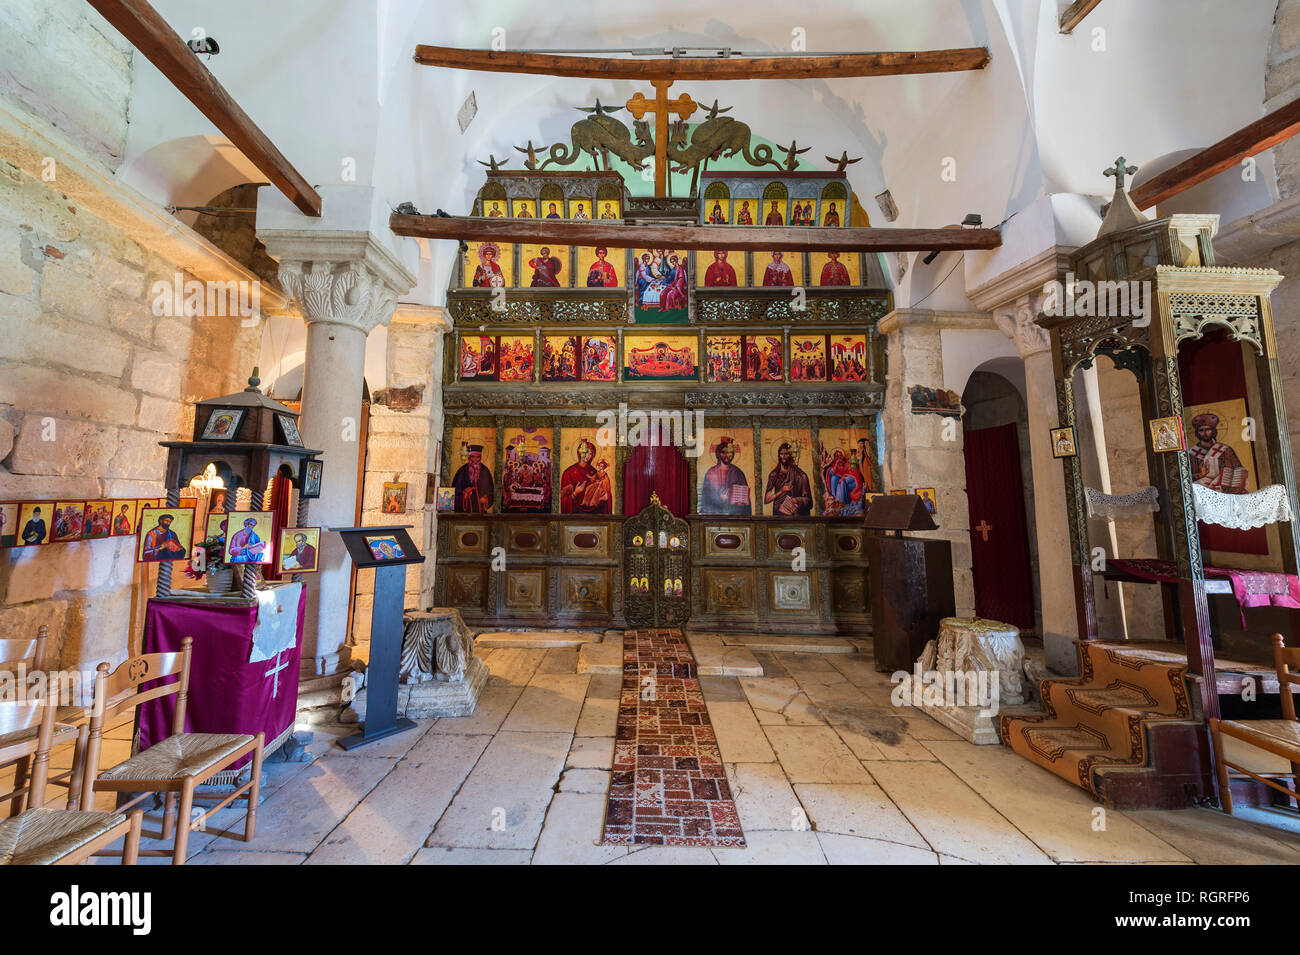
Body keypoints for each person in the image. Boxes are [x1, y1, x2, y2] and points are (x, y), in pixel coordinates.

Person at [1189, 412, 1249, 491]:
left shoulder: (1226, 450)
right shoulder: (1192, 453)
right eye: (1201, 430)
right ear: (1197, 433)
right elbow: (1187, 478)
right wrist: (1201, 475)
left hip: (1225, 491)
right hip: (1202, 491)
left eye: (1208, 429)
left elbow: (1238, 471)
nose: (1205, 433)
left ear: (1213, 431)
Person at [700, 437, 751, 515]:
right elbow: (706, 499)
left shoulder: (737, 472)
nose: (727, 455)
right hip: (715, 515)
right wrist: (720, 498)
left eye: (729, 452)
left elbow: (745, 498)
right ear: (718, 453)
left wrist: (742, 503)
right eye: (723, 452)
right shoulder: (711, 472)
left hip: (734, 514)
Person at [560, 439, 612, 514]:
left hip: (594, 513)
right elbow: (563, 500)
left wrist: (605, 497)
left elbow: (604, 491)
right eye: (586, 452)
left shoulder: (595, 472)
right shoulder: (569, 472)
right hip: (575, 515)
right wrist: (575, 493)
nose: (588, 456)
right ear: (579, 452)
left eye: (590, 453)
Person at [765, 442, 813, 516]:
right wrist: (781, 491)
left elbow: (809, 502)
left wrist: (796, 500)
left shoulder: (800, 475)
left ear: (791, 455)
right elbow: (766, 500)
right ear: (779, 456)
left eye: (786, 454)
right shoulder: (774, 474)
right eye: (781, 454)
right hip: (778, 514)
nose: (783, 457)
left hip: (795, 513)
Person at [452, 445, 495, 513]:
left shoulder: (485, 471)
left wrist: (486, 498)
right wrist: (464, 494)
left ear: (480, 457)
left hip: (480, 511)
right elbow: (454, 491)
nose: (475, 460)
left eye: (477, 457)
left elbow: (491, 491)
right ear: (469, 457)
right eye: (473, 457)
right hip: (465, 512)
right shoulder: (462, 471)